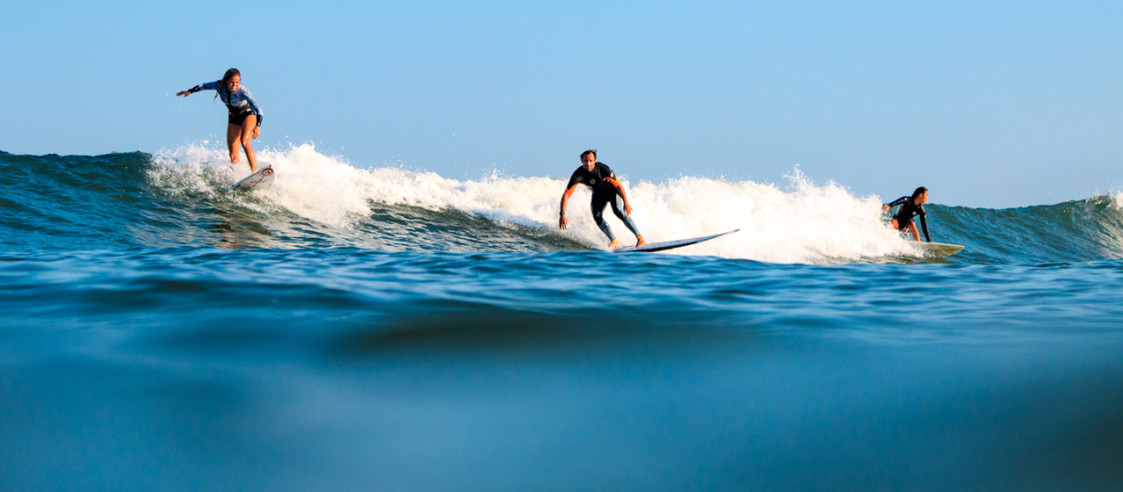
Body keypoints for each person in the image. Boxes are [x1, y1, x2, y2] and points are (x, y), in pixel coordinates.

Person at [176, 68, 263, 173]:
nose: (234, 85)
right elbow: (203, 86)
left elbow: (258, 108)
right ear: (226, 80)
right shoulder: (219, 85)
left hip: (248, 115)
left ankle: (255, 172)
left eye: (237, 82)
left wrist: (258, 126)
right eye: (232, 82)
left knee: (244, 142)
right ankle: (239, 176)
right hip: (233, 117)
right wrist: (190, 91)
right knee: (233, 155)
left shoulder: (242, 91)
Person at [559, 150, 646, 249]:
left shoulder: (603, 169)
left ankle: (640, 238)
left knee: (618, 211)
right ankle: (614, 241)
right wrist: (562, 214)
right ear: (582, 161)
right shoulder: (578, 175)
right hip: (598, 194)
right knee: (597, 216)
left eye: (590, 161)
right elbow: (566, 194)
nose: (588, 163)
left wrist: (626, 202)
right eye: (585, 161)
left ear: (595, 161)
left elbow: (618, 185)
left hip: (612, 191)